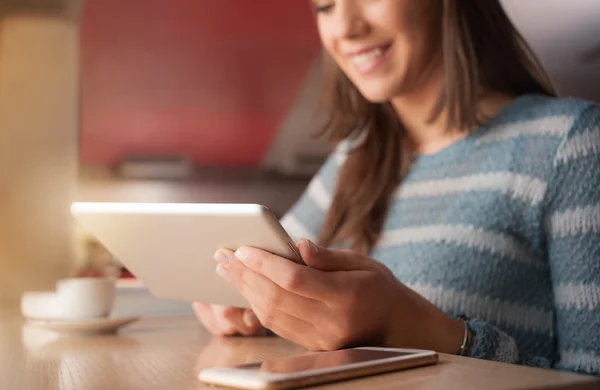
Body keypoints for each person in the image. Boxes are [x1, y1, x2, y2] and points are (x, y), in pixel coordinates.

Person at [193, 0, 600, 377]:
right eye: (325, 6)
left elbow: (589, 378)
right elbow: (267, 259)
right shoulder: (355, 156)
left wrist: (417, 328)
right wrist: (246, 301)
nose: (346, 28)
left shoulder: (570, 142)